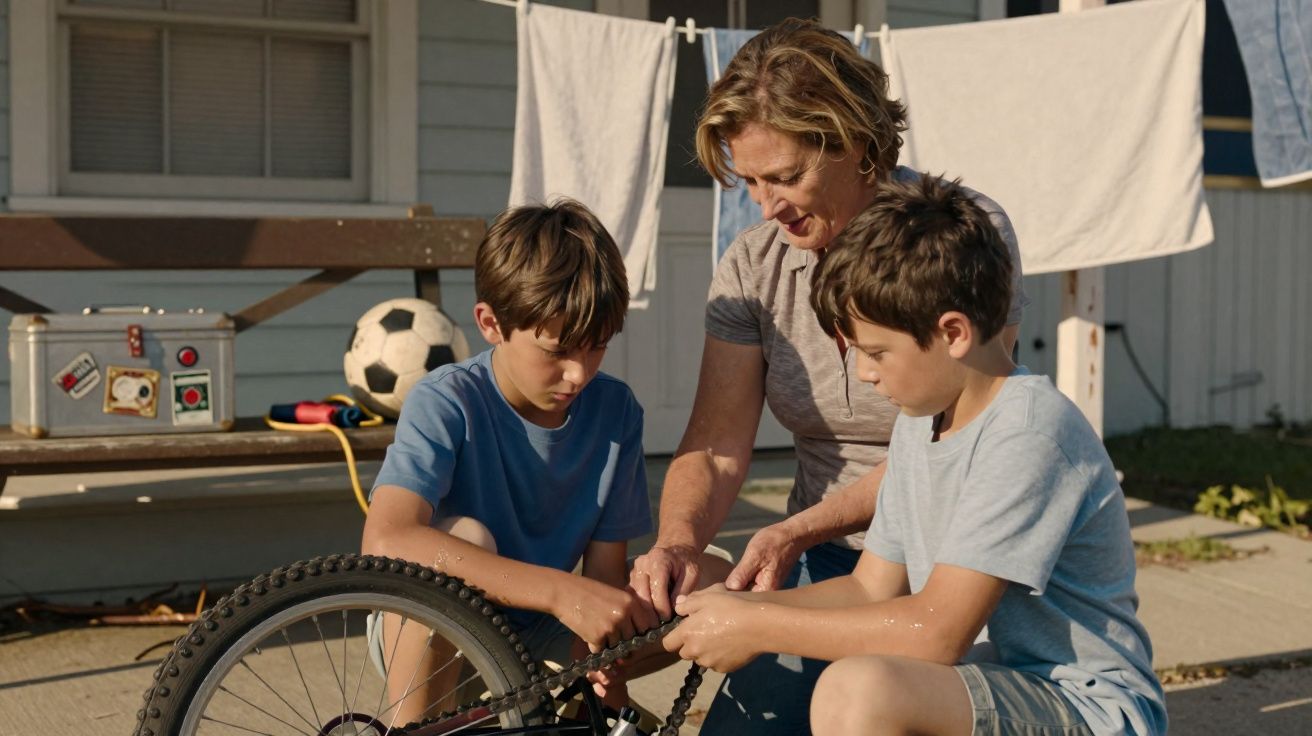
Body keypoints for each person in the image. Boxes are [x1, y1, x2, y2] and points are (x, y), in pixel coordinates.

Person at [628, 17, 1028, 732]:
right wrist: (679, 543)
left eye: (785, 177)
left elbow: (949, 444)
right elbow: (716, 444)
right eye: (748, 181)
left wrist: (794, 532)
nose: (766, 206)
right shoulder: (754, 264)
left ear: (857, 145)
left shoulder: (957, 240)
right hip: (831, 566)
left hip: (946, 565)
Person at [662, 176, 1167, 736]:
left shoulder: (1028, 433)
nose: (865, 372)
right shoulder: (919, 425)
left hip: (1085, 708)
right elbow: (868, 588)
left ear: (952, 332)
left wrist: (757, 632)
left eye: (876, 352)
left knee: (859, 692)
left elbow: (936, 633)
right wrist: (741, 611)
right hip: (987, 685)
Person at [362, 199, 670, 724]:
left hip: (545, 630)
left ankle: (572, 711)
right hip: (431, 627)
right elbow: (387, 539)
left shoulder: (615, 411)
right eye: (558, 350)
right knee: (465, 539)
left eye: (596, 348)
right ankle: (411, 728)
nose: (579, 374)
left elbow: (602, 577)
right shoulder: (446, 399)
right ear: (491, 323)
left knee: (706, 579)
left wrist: (609, 693)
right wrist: (558, 590)